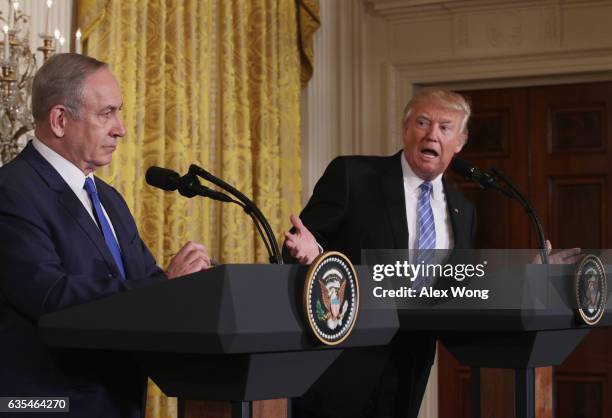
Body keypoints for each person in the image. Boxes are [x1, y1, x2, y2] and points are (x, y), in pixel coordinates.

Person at [0, 53, 210, 417]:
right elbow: (50, 295)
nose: (121, 128)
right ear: (61, 120)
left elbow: (145, 281)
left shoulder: (108, 200)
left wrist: (199, 280)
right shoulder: (11, 191)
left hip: (119, 403)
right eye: (106, 113)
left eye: (119, 111)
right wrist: (165, 288)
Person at [284, 87, 476, 418]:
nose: (432, 134)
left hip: (411, 363)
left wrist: (528, 272)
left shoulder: (463, 209)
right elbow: (306, 242)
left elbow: (457, 285)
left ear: (459, 142)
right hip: (341, 360)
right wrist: (310, 251)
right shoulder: (353, 176)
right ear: (405, 130)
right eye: (422, 122)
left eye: (445, 127)